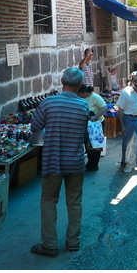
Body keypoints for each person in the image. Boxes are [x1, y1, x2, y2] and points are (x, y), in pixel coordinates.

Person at [30, 67, 89, 256]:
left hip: (53, 161)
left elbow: (35, 126)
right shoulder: (83, 106)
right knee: (74, 202)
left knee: (48, 200)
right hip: (76, 162)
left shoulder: (49, 103)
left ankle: (49, 245)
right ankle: (73, 243)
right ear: (80, 85)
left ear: (62, 82)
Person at [117, 71, 137, 173]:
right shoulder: (125, 92)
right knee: (127, 142)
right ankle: (124, 161)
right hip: (128, 119)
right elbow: (121, 109)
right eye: (134, 80)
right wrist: (122, 125)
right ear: (131, 81)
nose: (136, 83)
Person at [77, 85, 107, 172]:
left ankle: (93, 165)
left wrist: (95, 117)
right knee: (87, 144)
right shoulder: (81, 98)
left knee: (95, 145)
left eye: (79, 93)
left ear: (85, 92)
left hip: (96, 124)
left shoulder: (95, 97)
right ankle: (89, 163)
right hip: (86, 124)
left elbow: (104, 108)